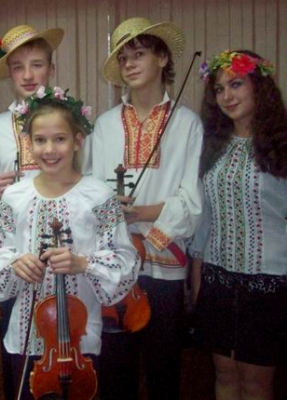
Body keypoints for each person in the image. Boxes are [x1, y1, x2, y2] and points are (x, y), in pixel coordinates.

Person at [0, 86, 140, 400]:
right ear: (29, 143)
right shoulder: (14, 196)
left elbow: (125, 260)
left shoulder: (98, 195)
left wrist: (84, 263)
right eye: (40, 140)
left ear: (78, 140)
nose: (49, 149)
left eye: (60, 139)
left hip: (79, 339)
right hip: (26, 334)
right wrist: (15, 263)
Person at [90, 17, 204, 400]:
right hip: (114, 264)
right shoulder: (105, 125)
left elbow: (191, 202)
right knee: (114, 369)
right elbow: (91, 192)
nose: (130, 64)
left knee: (163, 369)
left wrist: (140, 214)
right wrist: (108, 206)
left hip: (164, 263)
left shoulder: (186, 123)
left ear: (162, 58)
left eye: (139, 54)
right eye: (123, 59)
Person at [189, 50, 287, 400]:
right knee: (225, 375)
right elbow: (204, 221)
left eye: (236, 85)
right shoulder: (212, 145)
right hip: (217, 278)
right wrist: (198, 285)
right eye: (219, 89)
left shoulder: (281, 144)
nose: (226, 96)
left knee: (256, 382)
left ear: (259, 86)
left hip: (269, 283)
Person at [0, 25, 64, 399]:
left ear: (51, 68)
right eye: (18, 67)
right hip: (15, 257)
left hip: (62, 253)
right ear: (9, 74)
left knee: (65, 348)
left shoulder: (72, 121)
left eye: (37, 65)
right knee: (16, 355)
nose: (28, 75)